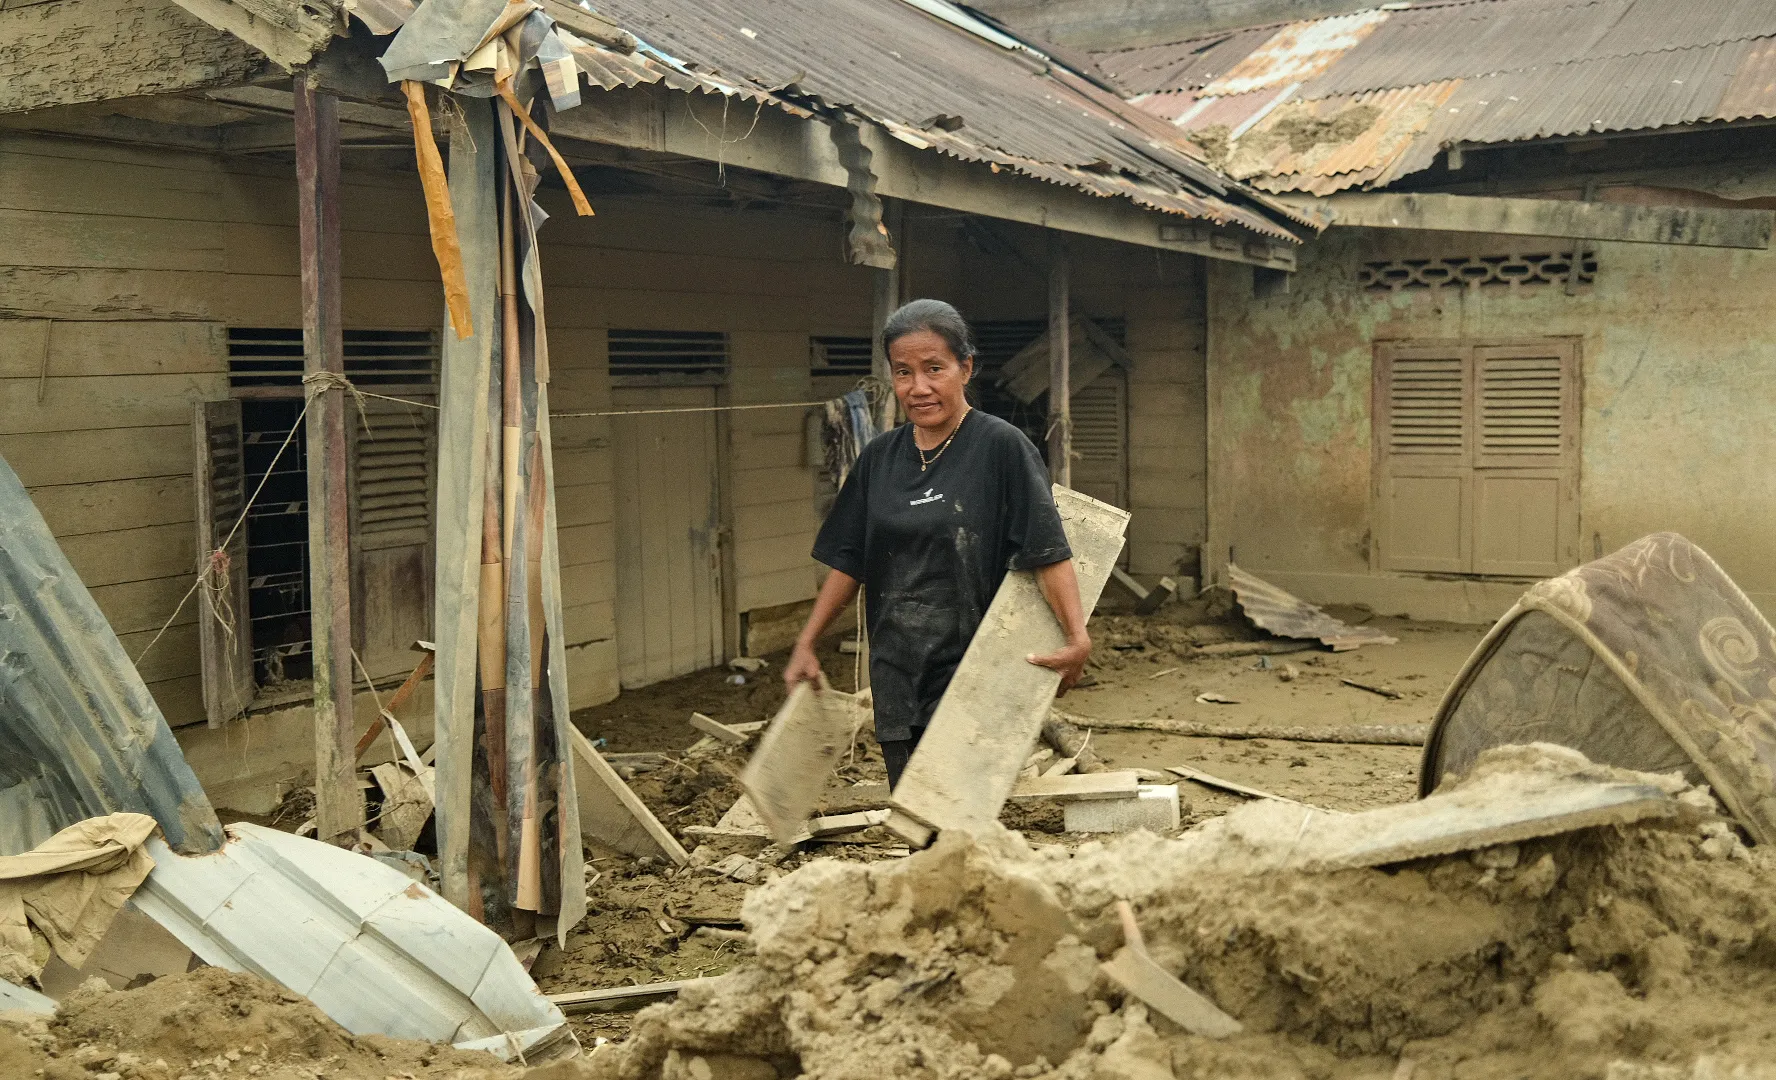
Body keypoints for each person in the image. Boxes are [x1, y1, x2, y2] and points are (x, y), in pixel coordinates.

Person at [782, 299, 1092, 787]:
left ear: (965, 368)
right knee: (915, 826)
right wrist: (806, 642)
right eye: (903, 372)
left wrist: (1077, 637)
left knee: (960, 828)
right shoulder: (880, 458)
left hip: (974, 672)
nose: (918, 387)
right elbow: (849, 559)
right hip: (897, 673)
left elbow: (1047, 550)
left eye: (934, 369)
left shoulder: (1001, 448)